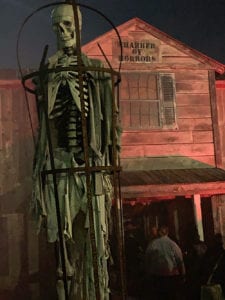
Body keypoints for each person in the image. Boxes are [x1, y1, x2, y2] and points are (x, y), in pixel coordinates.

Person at [31, 4, 120, 300]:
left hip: (90, 165)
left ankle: (98, 292)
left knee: (96, 242)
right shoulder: (49, 72)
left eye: (68, 25)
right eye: (57, 27)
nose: (63, 32)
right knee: (62, 242)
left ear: (79, 28)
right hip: (59, 165)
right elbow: (45, 123)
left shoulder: (94, 71)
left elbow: (110, 122)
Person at [145, 225, 186, 300]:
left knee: (159, 296)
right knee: (171, 296)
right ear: (167, 233)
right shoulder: (173, 244)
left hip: (157, 275)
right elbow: (179, 259)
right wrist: (183, 274)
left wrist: (148, 273)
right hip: (171, 275)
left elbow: (147, 259)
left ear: (159, 233)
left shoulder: (153, 244)